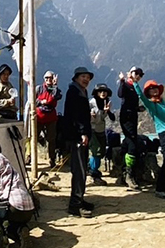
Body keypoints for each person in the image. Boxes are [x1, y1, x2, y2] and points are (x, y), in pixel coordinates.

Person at [134, 79, 165, 199]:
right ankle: (160, 188)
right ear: (148, 92)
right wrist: (134, 82)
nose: (154, 90)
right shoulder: (151, 104)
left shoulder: (162, 102)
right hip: (164, 133)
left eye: (155, 88)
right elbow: (141, 96)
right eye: (151, 89)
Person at [63, 66, 95, 218]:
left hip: (80, 135)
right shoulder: (74, 92)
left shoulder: (81, 91)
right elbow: (76, 116)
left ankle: (80, 199)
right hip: (77, 137)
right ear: (76, 77)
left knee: (82, 170)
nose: (86, 80)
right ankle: (75, 205)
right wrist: (82, 133)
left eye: (88, 78)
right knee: (79, 170)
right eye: (83, 76)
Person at [116, 67, 147, 191]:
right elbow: (120, 94)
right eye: (136, 73)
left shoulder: (135, 87)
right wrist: (122, 81)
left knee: (129, 143)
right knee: (132, 143)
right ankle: (129, 175)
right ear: (131, 73)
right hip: (126, 118)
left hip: (133, 117)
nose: (138, 76)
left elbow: (130, 102)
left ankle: (122, 174)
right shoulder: (127, 85)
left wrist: (138, 108)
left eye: (140, 74)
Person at [88, 83, 115, 186]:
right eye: (100, 91)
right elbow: (84, 114)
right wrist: (89, 114)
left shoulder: (107, 103)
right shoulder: (91, 103)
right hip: (92, 129)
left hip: (101, 130)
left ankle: (90, 167)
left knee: (102, 151)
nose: (103, 93)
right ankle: (95, 175)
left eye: (105, 91)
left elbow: (112, 118)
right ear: (96, 93)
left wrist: (108, 111)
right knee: (96, 151)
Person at [35, 70, 62, 168]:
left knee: (51, 139)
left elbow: (57, 96)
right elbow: (33, 100)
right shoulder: (39, 89)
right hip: (39, 117)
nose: (48, 80)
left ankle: (52, 159)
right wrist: (41, 102)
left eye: (50, 78)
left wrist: (55, 86)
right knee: (34, 137)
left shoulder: (56, 89)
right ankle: (31, 158)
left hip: (51, 118)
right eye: (46, 78)